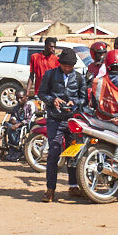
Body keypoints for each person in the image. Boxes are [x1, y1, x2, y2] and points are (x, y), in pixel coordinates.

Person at [37, 48, 88, 201]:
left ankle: (73, 186)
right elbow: (41, 93)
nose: (67, 68)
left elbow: (83, 98)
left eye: (70, 66)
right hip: (55, 119)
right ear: (60, 64)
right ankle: (50, 189)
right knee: (53, 153)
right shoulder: (50, 74)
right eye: (65, 65)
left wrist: (75, 102)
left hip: (73, 121)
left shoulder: (79, 78)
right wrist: (52, 100)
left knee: (73, 154)